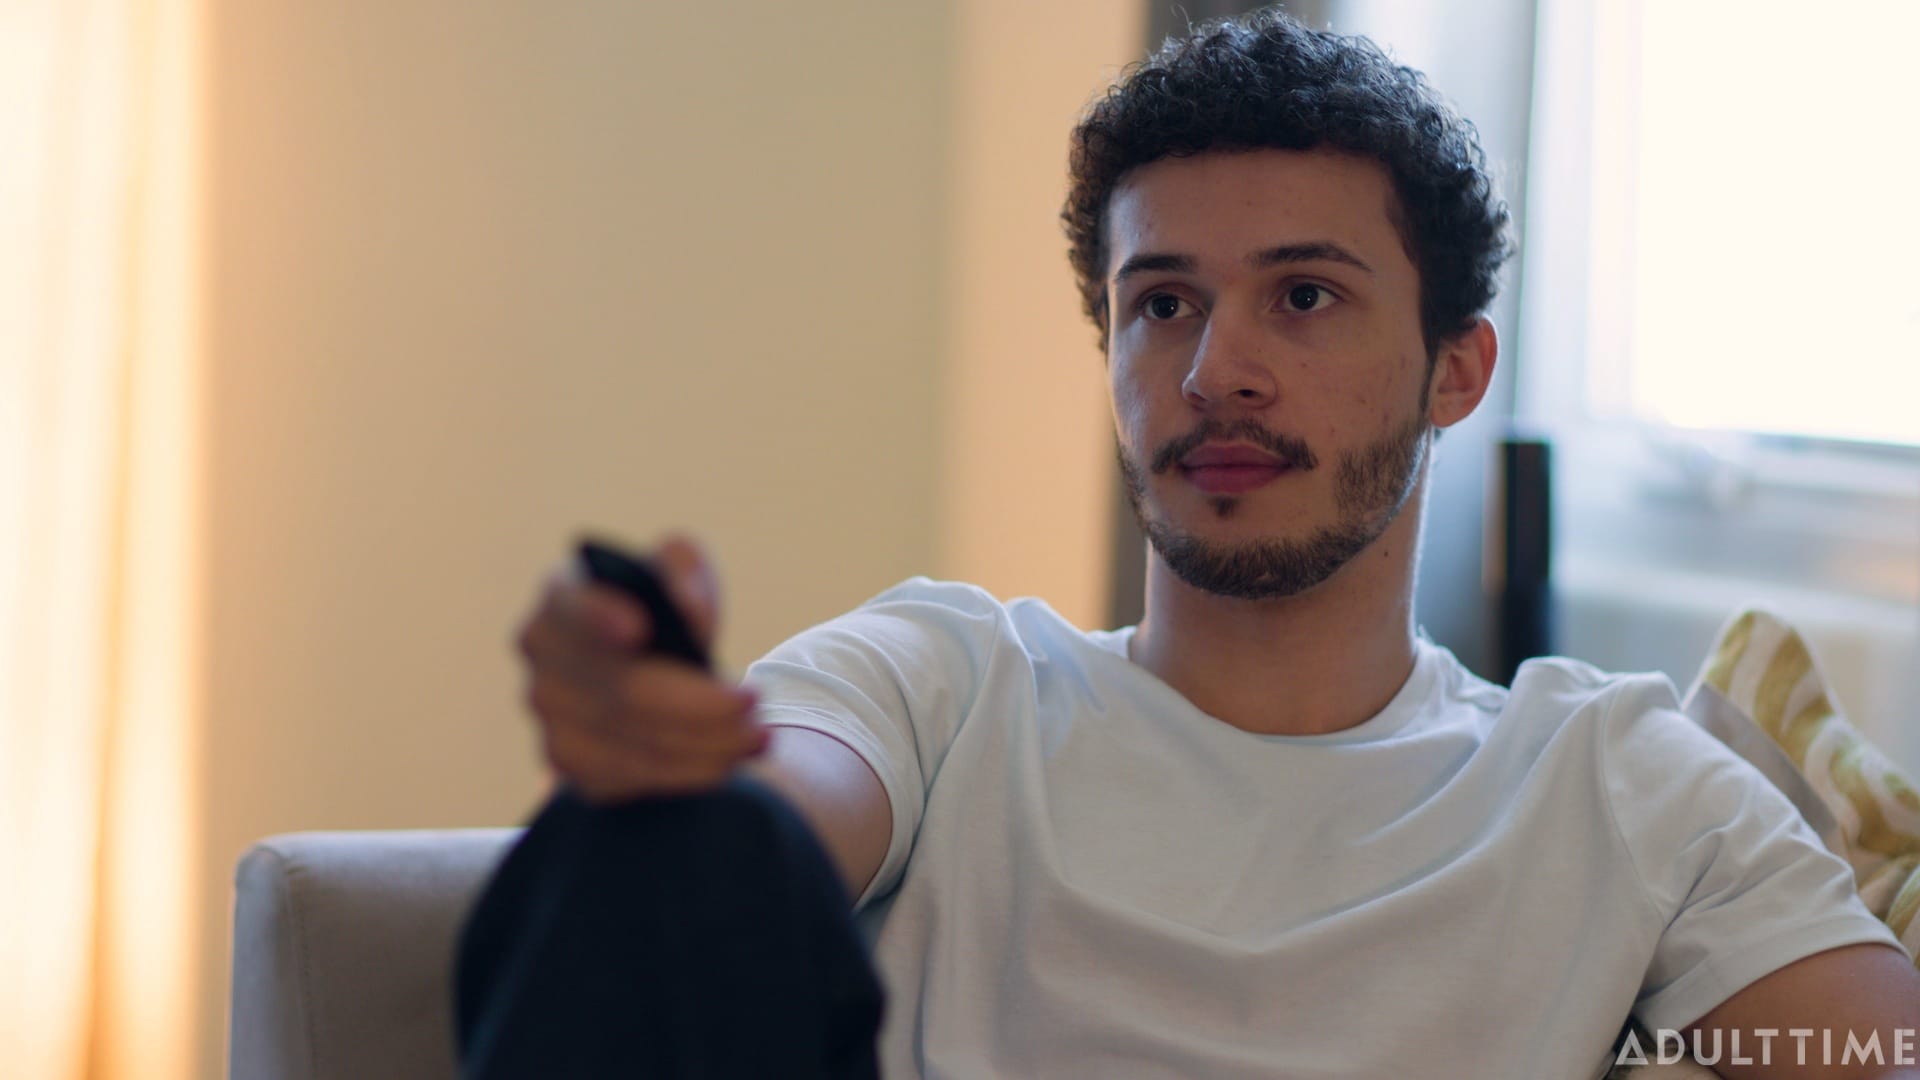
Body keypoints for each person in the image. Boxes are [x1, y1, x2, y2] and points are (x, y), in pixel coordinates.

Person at [454, 8, 1920, 1078]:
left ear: (1456, 370)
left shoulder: (1617, 779)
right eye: (1162, 304)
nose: (1218, 371)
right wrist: (666, 760)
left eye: (1304, 297)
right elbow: (755, 830)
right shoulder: (949, 681)